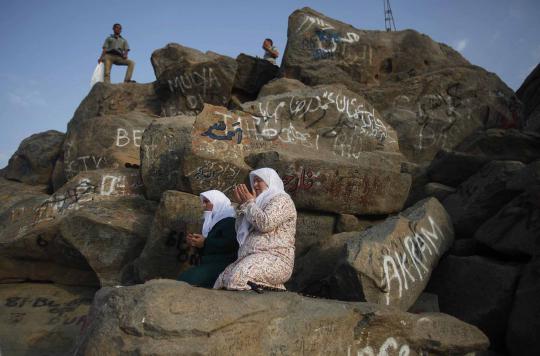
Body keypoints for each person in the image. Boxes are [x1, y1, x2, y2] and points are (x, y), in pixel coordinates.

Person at [214, 168, 297, 291]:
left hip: (276, 258)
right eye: (253, 181)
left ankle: (273, 292)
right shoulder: (258, 202)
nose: (255, 185)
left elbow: (265, 223)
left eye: (259, 181)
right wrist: (243, 205)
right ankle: (274, 288)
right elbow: (240, 229)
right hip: (249, 257)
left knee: (238, 278)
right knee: (221, 281)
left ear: (270, 181)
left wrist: (249, 204)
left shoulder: (282, 200)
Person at [177, 190, 238, 288]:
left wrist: (205, 242)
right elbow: (209, 250)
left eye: (207, 202)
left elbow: (230, 245)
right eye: (203, 202)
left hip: (225, 265)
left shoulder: (230, 221)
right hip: (211, 263)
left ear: (217, 202)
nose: (204, 206)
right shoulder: (215, 221)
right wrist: (196, 243)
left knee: (187, 279)